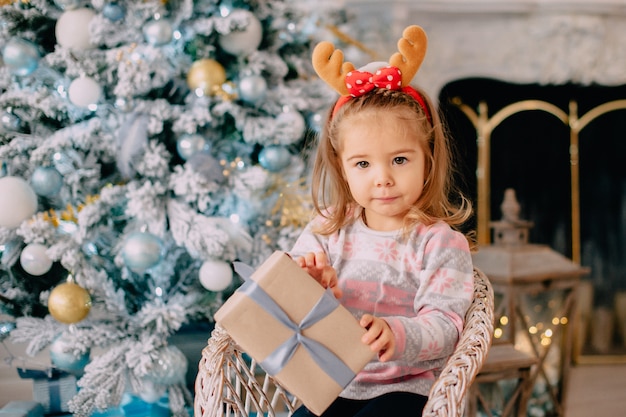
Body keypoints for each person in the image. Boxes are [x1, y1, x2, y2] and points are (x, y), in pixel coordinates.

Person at [289, 25, 476, 417]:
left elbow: (446, 326)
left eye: (400, 159)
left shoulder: (438, 242)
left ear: (428, 160)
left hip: (407, 387)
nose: (383, 177)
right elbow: (288, 308)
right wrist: (310, 287)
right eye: (363, 163)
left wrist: (398, 333)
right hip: (334, 381)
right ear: (342, 170)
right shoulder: (327, 230)